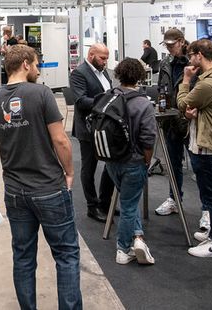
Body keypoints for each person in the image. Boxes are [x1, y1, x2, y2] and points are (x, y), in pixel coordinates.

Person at [0, 44, 82, 309]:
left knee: (23, 257)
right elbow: (61, 140)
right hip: (49, 188)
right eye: (35, 64)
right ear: (25, 64)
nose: (37, 69)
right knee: (66, 255)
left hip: (15, 192)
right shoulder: (42, 94)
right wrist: (69, 172)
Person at [176, 38, 212, 258]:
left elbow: (182, 103)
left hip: (207, 146)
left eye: (191, 55)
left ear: (199, 55)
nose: (189, 59)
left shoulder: (208, 83)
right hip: (207, 143)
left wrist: (185, 79)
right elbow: (191, 108)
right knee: (210, 194)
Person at [107, 58, 158, 265]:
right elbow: (148, 138)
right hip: (134, 161)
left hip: (111, 161)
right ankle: (123, 249)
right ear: (139, 76)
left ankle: (138, 237)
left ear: (118, 74)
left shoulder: (108, 98)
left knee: (129, 199)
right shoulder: (143, 104)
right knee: (128, 205)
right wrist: (146, 162)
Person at [70, 44, 116, 223]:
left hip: (105, 126)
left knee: (111, 164)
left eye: (106, 58)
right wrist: (107, 100)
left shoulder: (103, 72)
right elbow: (81, 101)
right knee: (89, 168)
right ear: (91, 55)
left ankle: (105, 203)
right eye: (102, 58)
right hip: (88, 129)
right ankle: (92, 206)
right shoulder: (79, 73)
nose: (105, 62)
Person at [154, 28, 194, 221]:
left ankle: (208, 210)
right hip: (170, 121)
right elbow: (162, 87)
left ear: (181, 41)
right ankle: (174, 199)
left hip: (191, 121)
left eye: (172, 45)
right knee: (173, 164)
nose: (169, 49)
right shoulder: (165, 63)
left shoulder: (195, 62)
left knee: (198, 166)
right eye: (167, 46)